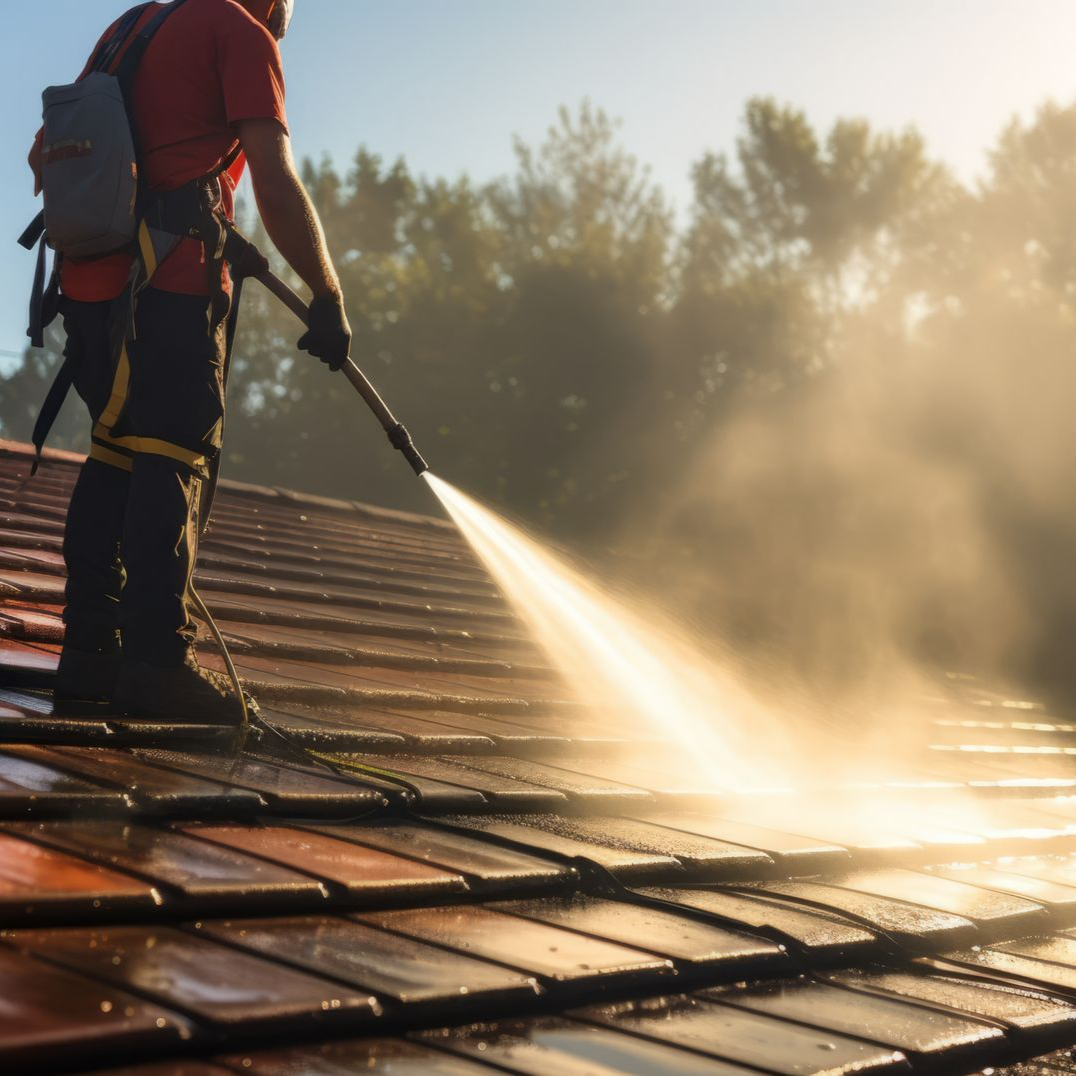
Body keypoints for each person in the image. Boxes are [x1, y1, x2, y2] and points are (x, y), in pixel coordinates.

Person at [28, 0, 351, 723]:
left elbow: (42, 155)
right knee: (172, 458)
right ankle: (155, 662)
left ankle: (89, 654)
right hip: (165, 289)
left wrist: (191, 205)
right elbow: (273, 176)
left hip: (88, 289)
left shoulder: (132, 27)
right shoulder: (239, 32)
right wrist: (328, 294)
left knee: (114, 454)